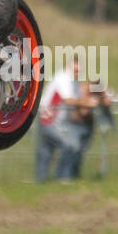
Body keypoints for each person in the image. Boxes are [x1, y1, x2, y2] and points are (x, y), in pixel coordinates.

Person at [33, 54, 82, 182]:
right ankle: (62, 177)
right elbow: (69, 100)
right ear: (70, 67)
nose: (78, 73)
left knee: (46, 151)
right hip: (48, 119)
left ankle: (40, 180)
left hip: (53, 121)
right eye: (76, 70)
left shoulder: (71, 80)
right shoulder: (63, 78)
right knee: (69, 145)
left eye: (79, 71)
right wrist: (87, 103)